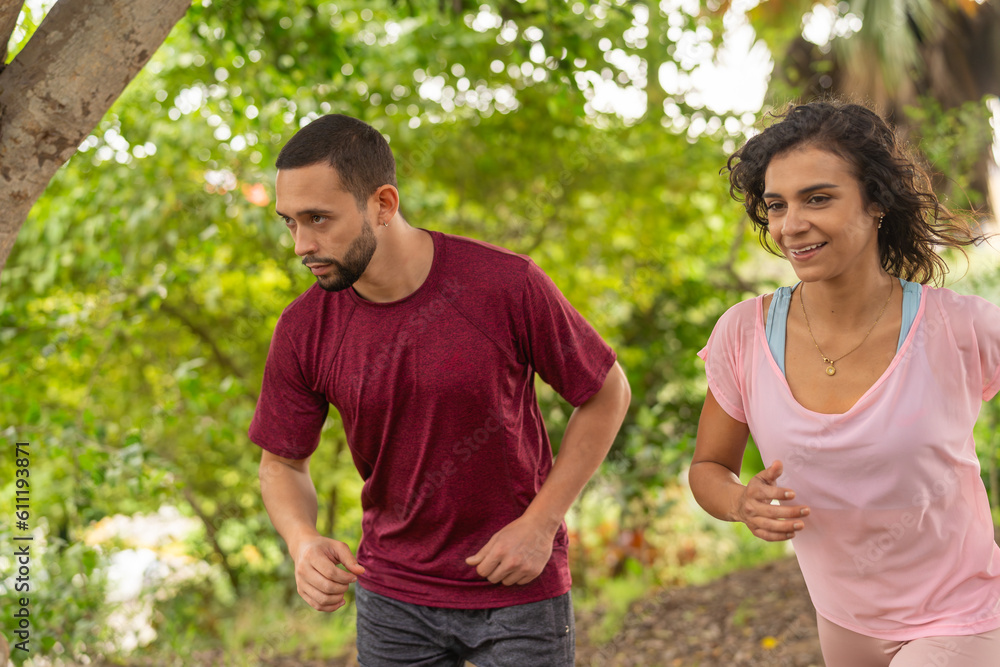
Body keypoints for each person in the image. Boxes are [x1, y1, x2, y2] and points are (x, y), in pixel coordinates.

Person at [248, 114, 630, 667]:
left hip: (517, 588)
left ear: (383, 203)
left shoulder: (504, 284)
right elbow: (280, 465)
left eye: (319, 219)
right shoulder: (303, 328)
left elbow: (605, 392)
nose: (302, 244)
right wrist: (301, 539)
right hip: (393, 598)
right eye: (290, 223)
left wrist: (541, 523)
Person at [689, 100, 1000, 666]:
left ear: (876, 202)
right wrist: (742, 504)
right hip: (844, 622)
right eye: (777, 205)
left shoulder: (961, 326)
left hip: (964, 616)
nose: (791, 225)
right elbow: (709, 468)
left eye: (819, 198)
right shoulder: (743, 334)